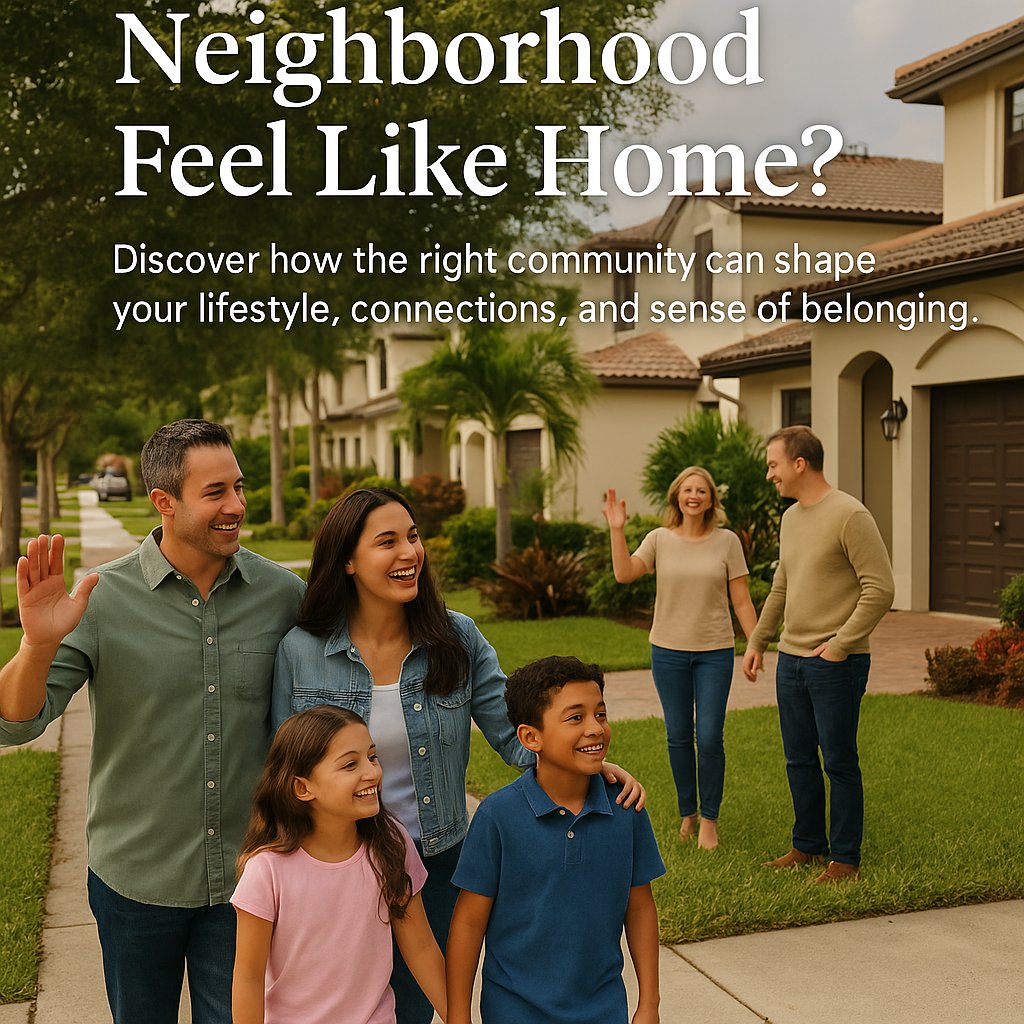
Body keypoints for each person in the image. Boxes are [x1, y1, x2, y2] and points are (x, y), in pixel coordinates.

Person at [272, 486, 644, 1024]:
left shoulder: (457, 637)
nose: (410, 553)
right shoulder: (302, 651)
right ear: (348, 560)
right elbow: (286, 771)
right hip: (339, 869)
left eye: (414, 537)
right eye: (388, 542)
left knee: (422, 1008)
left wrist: (585, 760)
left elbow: (517, 738)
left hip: (437, 860)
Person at [0, 419, 305, 1024]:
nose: (237, 506)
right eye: (215, 492)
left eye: (239, 488)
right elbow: (17, 723)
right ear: (163, 502)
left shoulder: (282, 594)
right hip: (135, 881)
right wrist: (36, 646)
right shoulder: (100, 600)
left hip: (250, 877)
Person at [446, 656, 665, 1024]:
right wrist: (458, 1017)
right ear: (532, 737)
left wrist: (649, 1005)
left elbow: (640, 909)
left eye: (601, 714)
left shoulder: (627, 809)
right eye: (575, 718)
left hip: (603, 1010)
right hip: (513, 1012)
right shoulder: (497, 817)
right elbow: (468, 923)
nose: (595, 728)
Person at [742, 426, 895, 883]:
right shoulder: (792, 518)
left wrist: (842, 645)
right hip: (791, 660)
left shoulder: (850, 515)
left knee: (839, 760)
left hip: (836, 663)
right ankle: (807, 846)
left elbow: (881, 588)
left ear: (799, 464)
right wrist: (758, 641)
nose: (770, 474)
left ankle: (845, 859)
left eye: (773, 465)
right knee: (798, 758)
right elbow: (783, 586)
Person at [231, 705, 446, 1024]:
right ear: (303, 788)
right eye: (350, 764)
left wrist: (459, 1017)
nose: (372, 772)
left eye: (372, 757)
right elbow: (248, 979)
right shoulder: (267, 870)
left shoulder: (391, 843)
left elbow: (422, 948)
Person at [602, 467, 758, 849]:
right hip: (668, 651)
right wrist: (617, 529)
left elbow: (741, 599)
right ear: (677, 496)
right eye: (687, 489)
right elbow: (624, 574)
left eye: (701, 490)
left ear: (710, 499)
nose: (694, 495)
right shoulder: (659, 539)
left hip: (715, 652)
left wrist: (754, 643)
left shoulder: (727, 541)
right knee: (677, 736)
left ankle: (709, 820)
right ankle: (687, 813)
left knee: (708, 736)